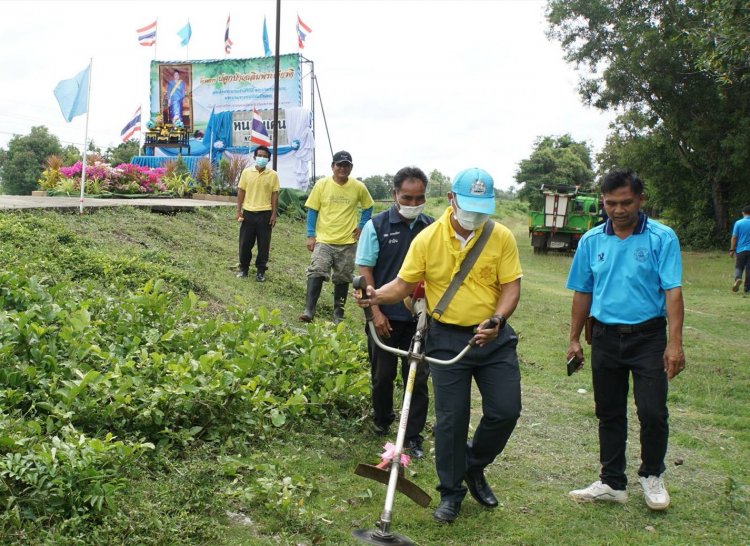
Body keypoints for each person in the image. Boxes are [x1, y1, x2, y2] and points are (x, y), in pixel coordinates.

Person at [356, 167, 523, 524]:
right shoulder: (428, 239)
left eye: (482, 207)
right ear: (451, 200)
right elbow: (401, 285)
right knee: (451, 420)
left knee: (506, 411)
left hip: (493, 337)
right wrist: (374, 297)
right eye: (469, 205)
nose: (475, 214)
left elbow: (511, 287)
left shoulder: (502, 237)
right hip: (446, 338)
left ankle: (472, 465)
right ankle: (451, 493)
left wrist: (498, 319)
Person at [566, 168, 685, 511]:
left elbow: (673, 292)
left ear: (641, 199)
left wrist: (674, 344)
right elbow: (582, 293)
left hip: (648, 337)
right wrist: (574, 339)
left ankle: (651, 476)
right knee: (609, 411)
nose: (618, 210)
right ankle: (612, 482)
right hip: (603, 337)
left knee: (652, 410)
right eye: (611, 203)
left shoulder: (661, 237)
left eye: (626, 202)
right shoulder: (591, 241)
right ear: (602, 201)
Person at [355, 166, 434, 458]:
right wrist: (376, 312)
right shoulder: (376, 226)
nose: (413, 204)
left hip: (421, 319)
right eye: (407, 197)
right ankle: (381, 420)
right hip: (384, 317)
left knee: (418, 377)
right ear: (394, 195)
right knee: (383, 374)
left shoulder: (432, 228)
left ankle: (413, 436)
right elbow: (365, 272)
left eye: (419, 198)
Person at [300, 151, 374, 324]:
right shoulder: (321, 185)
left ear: (351, 168)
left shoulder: (358, 187)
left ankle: (338, 315)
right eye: (339, 165)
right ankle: (309, 310)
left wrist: (362, 225)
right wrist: (311, 235)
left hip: (347, 242)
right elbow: (312, 210)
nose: (342, 168)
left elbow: (368, 206)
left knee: (343, 278)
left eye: (346, 165)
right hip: (324, 240)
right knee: (316, 271)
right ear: (332, 167)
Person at [236, 145, 279, 282]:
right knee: (245, 244)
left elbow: (275, 195)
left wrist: (273, 213)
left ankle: (261, 271)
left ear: (268, 159)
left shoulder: (273, 175)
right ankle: (244, 269)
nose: (262, 158)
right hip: (248, 213)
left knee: (263, 245)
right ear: (254, 157)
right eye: (259, 155)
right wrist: (238, 210)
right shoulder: (247, 173)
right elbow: (241, 191)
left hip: (265, 214)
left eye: (265, 156)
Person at [730, 205, 750, 294]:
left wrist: (732, 250)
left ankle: (738, 279)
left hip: (741, 250)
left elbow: (734, 237)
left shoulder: (738, 223)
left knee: (739, 266)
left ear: (743, 213)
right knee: (749, 269)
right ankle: (747, 289)